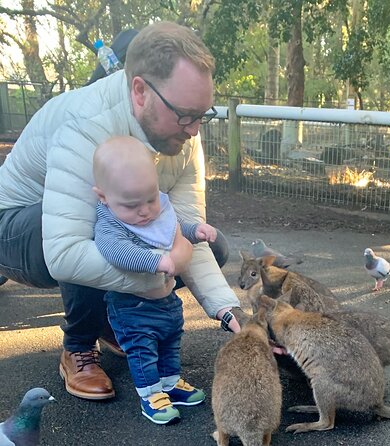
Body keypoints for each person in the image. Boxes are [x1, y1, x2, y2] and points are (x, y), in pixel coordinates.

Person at [0, 21, 245, 401]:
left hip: (90, 226)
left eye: (203, 114)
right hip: (17, 226)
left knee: (210, 244)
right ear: (140, 91)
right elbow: (65, 253)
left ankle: (114, 318)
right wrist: (154, 278)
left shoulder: (182, 131)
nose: (196, 130)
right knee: (101, 222)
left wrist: (229, 311)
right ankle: (78, 345)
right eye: (186, 115)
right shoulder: (85, 123)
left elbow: (181, 231)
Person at [93, 136, 209, 424]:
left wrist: (196, 230)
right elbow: (117, 251)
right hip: (133, 306)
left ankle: (171, 383)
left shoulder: (149, 209)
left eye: (151, 199)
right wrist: (158, 261)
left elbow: (174, 226)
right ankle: (150, 396)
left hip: (166, 300)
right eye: (132, 205)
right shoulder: (110, 223)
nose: (144, 211)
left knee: (171, 341)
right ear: (104, 197)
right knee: (142, 351)